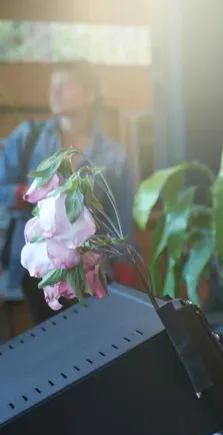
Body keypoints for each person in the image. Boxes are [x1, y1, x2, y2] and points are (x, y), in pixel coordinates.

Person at [0, 60, 132, 319]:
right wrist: (26, 193)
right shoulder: (28, 137)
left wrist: (126, 270)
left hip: (91, 270)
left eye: (65, 85)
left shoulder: (114, 154)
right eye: (53, 86)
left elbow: (122, 218)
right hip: (36, 270)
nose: (55, 92)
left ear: (90, 94)